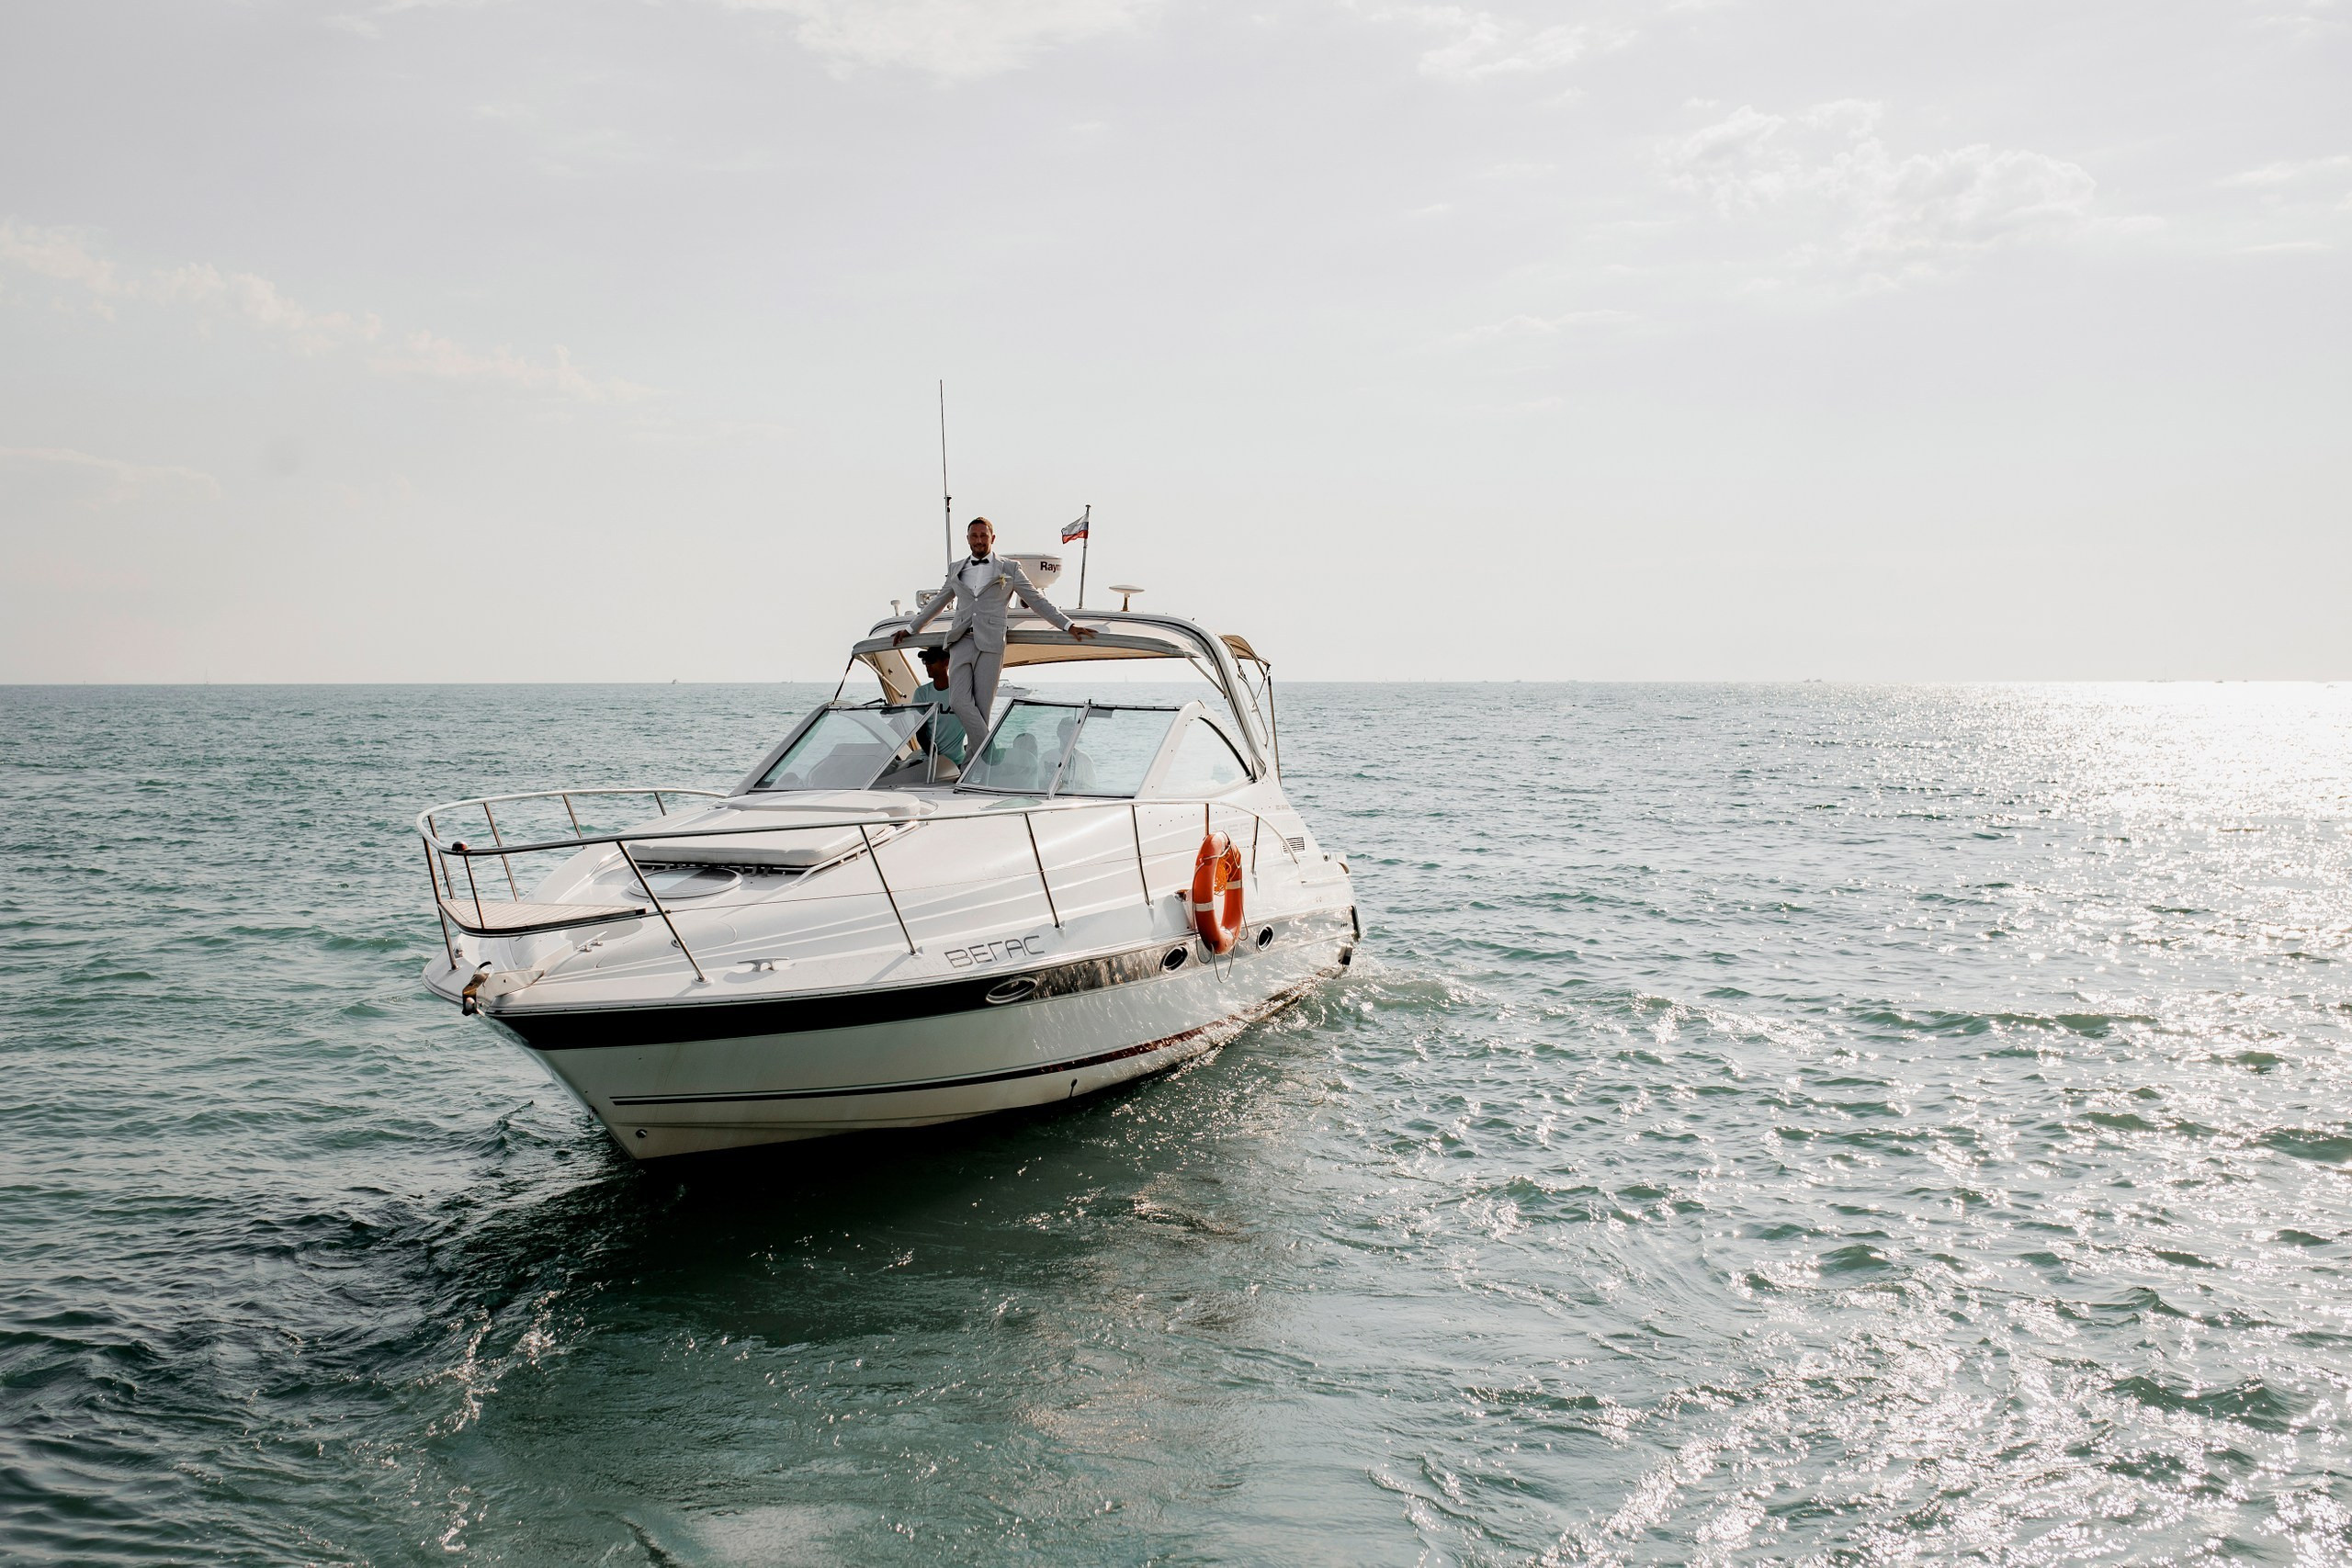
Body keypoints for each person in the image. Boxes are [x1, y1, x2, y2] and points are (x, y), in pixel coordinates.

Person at [895, 516, 1095, 753]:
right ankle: (988, 755)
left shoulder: (1008, 569)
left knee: (981, 710)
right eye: (974, 536)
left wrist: (1068, 625)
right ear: (968, 539)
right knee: (959, 701)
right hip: (961, 639)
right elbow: (938, 602)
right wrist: (910, 629)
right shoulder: (956, 569)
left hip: (990, 644)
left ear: (992, 538)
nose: (978, 540)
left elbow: (1037, 600)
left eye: (983, 536)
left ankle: (972, 764)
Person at [905, 644, 965, 769]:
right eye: (925, 661)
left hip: (958, 763)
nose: (927, 665)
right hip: (929, 761)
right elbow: (920, 734)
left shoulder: (962, 691)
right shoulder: (921, 693)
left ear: (946, 662)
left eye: (931, 661)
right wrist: (937, 761)